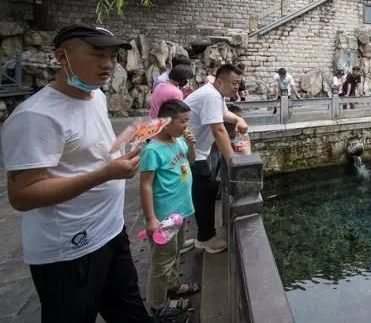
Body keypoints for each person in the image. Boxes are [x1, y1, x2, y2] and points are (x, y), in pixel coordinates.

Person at [1, 24, 150, 322]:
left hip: (111, 230)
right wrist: (105, 174)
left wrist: (126, 149)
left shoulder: (96, 96)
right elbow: (22, 195)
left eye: (112, 56)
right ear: (61, 56)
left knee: (131, 314)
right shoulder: (36, 116)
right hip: (69, 249)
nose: (108, 64)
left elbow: (91, 151)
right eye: (97, 54)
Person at [139, 100, 200, 320]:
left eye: (187, 121)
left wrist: (191, 145)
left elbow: (189, 162)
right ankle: (157, 305)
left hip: (180, 211)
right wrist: (150, 219)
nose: (186, 125)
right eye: (183, 121)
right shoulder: (153, 150)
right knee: (162, 261)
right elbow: (145, 185)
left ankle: (172, 286)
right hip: (164, 216)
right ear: (166, 121)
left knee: (174, 252)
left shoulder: (179, 141)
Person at [184, 63, 248, 254]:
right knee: (206, 189)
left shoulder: (214, 93)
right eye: (234, 83)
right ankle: (206, 238)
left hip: (193, 150)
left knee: (201, 189)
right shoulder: (211, 95)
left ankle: (191, 238)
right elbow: (218, 129)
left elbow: (223, 113)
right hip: (188, 151)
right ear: (220, 81)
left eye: (239, 83)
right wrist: (232, 161)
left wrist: (238, 119)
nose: (237, 87)